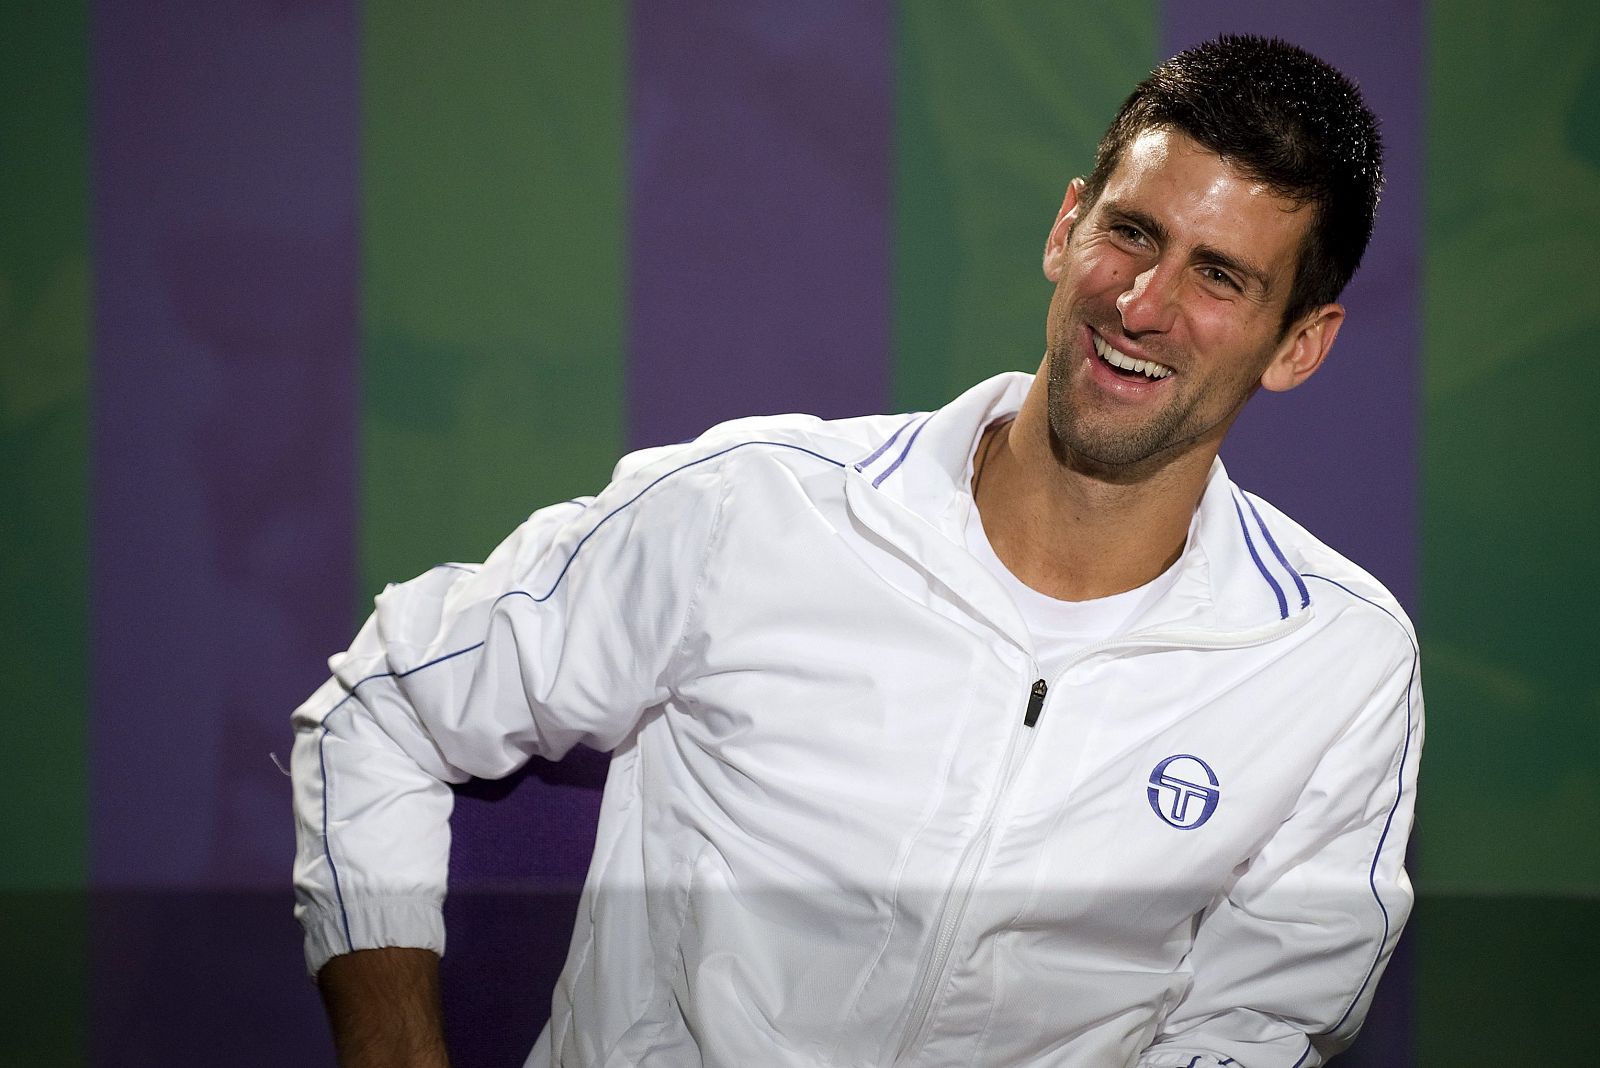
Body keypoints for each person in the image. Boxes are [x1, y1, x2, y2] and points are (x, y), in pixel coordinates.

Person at [292, 34, 1422, 1068]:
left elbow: (1255, 1026)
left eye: (1218, 276)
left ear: (1300, 346)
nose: (1140, 302)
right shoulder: (750, 508)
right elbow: (378, 709)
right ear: (1065, 225)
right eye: (1130, 233)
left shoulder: (1337, 663)